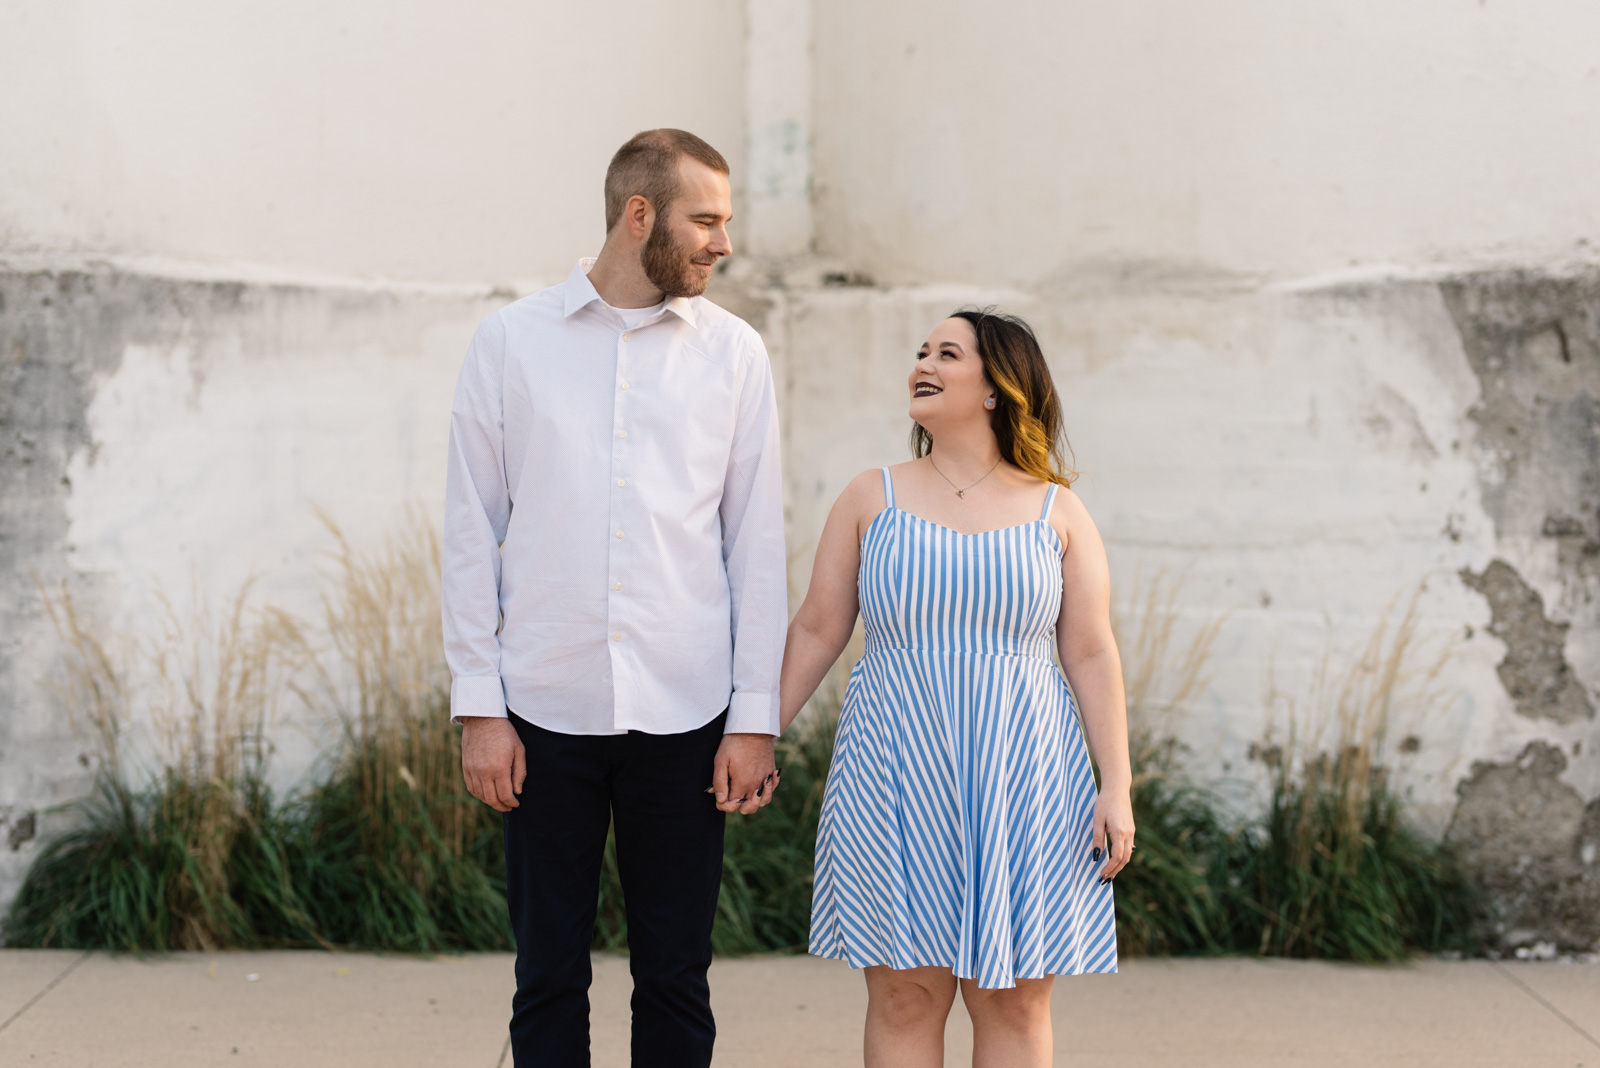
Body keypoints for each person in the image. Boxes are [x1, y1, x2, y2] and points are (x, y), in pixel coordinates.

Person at [442, 128, 787, 1068]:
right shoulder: (511, 343)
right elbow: (472, 528)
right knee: (546, 973)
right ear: (640, 215)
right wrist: (480, 705)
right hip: (542, 708)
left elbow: (756, 543)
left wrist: (753, 720)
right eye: (705, 220)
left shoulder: (735, 355)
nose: (723, 242)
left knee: (676, 974)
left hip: (688, 713)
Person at [779, 310, 1133, 1067]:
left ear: (998, 388)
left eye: (947, 352)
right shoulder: (870, 496)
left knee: (1013, 998)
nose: (922, 364)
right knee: (905, 994)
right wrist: (755, 736)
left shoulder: (1058, 510)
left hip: (1026, 773)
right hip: (893, 769)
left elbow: (1093, 653)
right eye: (919, 351)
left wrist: (1118, 785)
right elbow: (816, 628)